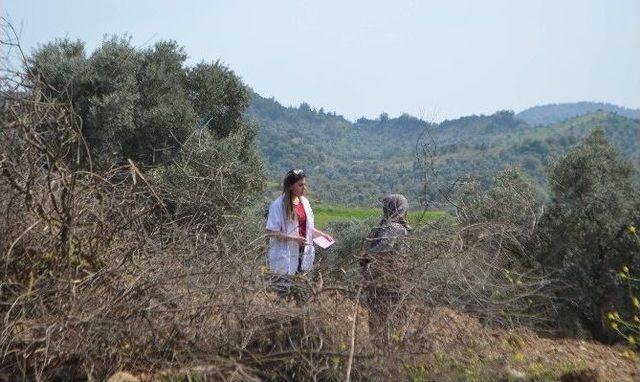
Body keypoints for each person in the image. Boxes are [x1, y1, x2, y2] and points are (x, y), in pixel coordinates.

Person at [265, 169, 334, 298]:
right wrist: (293, 239)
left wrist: (322, 235)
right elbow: (270, 232)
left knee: (301, 296)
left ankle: (298, 318)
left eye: (305, 184)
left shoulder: (305, 203)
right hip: (284, 258)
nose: (304, 188)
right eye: (300, 185)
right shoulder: (278, 205)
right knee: (283, 297)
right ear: (291, 186)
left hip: (303, 257)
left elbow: (308, 229)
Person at [360, 194, 411, 346]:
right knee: (393, 314)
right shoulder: (398, 227)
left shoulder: (392, 227)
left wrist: (365, 255)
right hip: (393, 278)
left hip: (385, 278)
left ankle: (383, 347)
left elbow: (382, 247)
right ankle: (389, 346)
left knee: (382, 314)